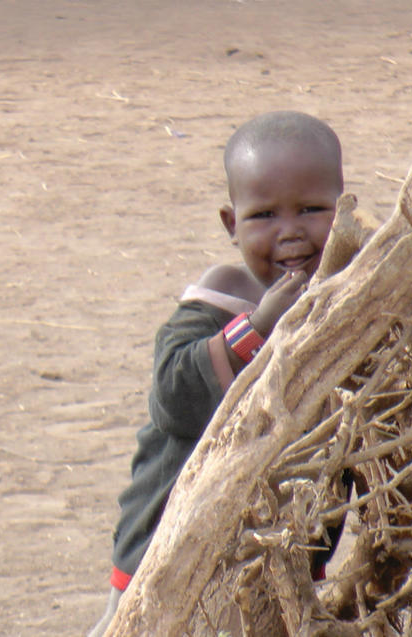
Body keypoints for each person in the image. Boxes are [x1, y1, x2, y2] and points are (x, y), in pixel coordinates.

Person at [87, 110, 344, 637]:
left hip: (278, 554)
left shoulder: (350, 298)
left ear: (343, 211)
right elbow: (172, 396)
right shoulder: (220, 299)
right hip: (169, 545)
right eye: (264, 215)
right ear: (231, 224)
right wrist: (259, 326)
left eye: (312, 210)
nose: (290, 232)